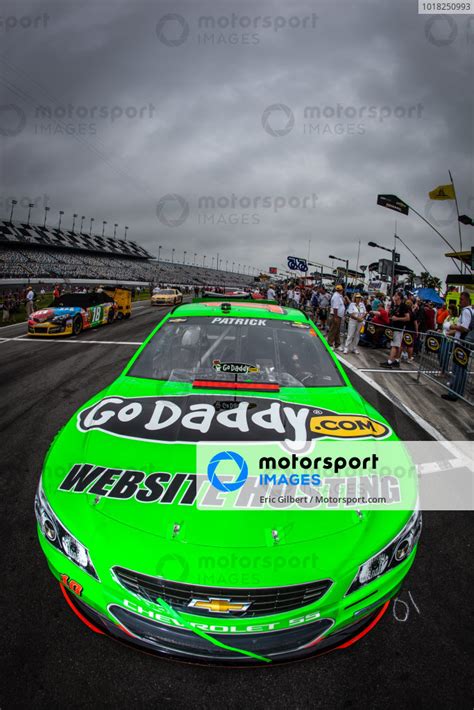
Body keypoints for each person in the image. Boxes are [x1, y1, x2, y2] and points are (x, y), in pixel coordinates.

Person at [441, 291, 474, 401]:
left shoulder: (466, 311)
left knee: (458, 369)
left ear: (467, 300)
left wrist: (451, 326)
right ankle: (456, 392)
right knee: (461, 369)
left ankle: (453, 393)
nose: (460, 301)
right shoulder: (471, 310)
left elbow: (464, 328)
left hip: (461, 343)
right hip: (464, 343)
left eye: (462, 299)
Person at [380, 291, 410, 368]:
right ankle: (396, 361)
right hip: (394, 328)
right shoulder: (395, 305)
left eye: (395, 295)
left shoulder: (403, 306)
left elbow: (407, 318)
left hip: (399, 328)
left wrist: (397, 319)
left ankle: (390, 362)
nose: (394, 296)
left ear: (399, 297)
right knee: (396, 345)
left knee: (394, 345)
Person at [327, 285, 345, 350]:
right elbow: (335, 308)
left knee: (337, 330)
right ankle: (330, 344)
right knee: (333, 330)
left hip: (338, 316)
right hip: (336, 315)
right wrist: (335, 317)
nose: (341, 291)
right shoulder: (336, 296)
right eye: (340, 290)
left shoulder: (339, 296)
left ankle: (337, 344)